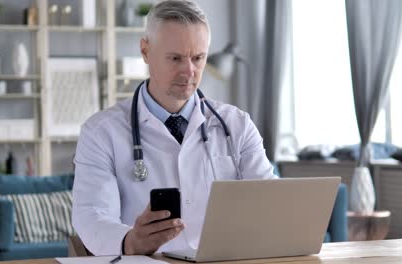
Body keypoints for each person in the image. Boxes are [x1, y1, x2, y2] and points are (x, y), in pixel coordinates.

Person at [72, 0, 276, 256]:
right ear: (145, 50)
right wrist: (130, 241)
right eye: (175, 58)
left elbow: (271, 204)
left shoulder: (237, 125)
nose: (188, 71)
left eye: (198, 58)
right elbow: (91, 216)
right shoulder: (101, 132)